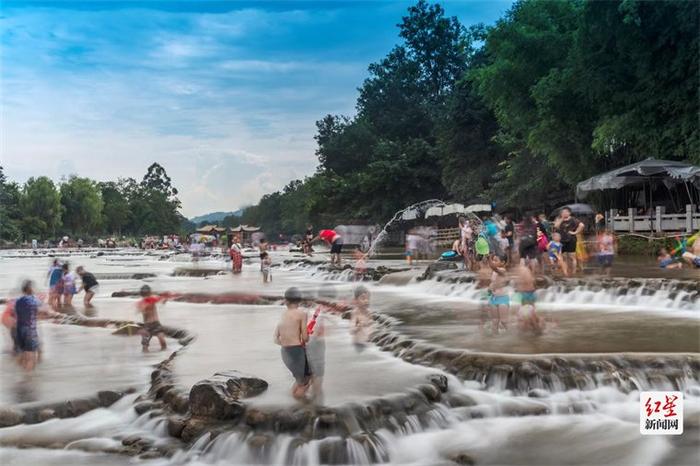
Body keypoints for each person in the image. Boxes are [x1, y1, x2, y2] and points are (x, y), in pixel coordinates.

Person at [273, 287, 310, 400]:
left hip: (285, 352)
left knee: (300, 380)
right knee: (307, 379)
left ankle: (291, 400)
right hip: (297, 351)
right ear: (299, 301)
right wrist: (307, 335)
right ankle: (300, 405)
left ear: (286, 301)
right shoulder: (301, 314)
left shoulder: (284, 314)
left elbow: (275, 338)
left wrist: (286, 343)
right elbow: (305, 338)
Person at [306, 284, 336, 402]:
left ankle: (312, 395)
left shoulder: (315, 309)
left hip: (309, 342)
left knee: (312, 370)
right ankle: (317, 397)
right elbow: (318, 329)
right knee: (318, 372)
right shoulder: (323, 311)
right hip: (316, 344)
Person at [14, 280, 42, 371]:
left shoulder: (18, 301)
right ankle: (28, 382)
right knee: (31, 358)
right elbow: (44, 311)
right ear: (30, 288)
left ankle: (18, 374)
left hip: (19, 330)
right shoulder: (34, 299)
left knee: (23, 355)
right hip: (30, 331)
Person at [137, 285, 168, 352]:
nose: (146, 295)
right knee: (145, 345)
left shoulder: (153, 299)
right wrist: (145, 306)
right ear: (142, 294)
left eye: (147, 293)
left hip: (156, 323)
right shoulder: (141, 303)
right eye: (144, 294)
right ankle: (146, 359)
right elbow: (140, 310)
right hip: (147, 326)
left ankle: (165, 356)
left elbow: (162, 300)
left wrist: (165, 298)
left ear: (149, 293)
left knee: (162, 340)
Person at [554, 208, 584, 276]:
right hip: (561, 240)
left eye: (565, 212)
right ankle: (566, 272)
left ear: (569, 213)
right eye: (562, 212)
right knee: (563, 257)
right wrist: (562, 219)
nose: (564, 213)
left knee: (572, 257)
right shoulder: (559, 219)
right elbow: (556, 226)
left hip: (571, 240)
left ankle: (574, 272)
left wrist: (575, 232)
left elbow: (582, 225)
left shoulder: (573, 219)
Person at [514, 264, 542, 335]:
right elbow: (533, 284)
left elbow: (519, 286)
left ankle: (534, 330)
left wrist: (518, 289)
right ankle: (535, 329)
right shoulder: (528, 271)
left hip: (526, 295)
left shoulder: (522, 270)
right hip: (530, 294)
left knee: (528, 314)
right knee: (531, 313)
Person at [488, 255, 509, 334]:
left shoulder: (503, 271)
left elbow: (494, 268)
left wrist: (488, 258)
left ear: (503, 262)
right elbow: (493, 282)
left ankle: (512, 335)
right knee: (494, 321)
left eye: (496, 260)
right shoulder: (494, 272)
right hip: (493, 298)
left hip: (502, 298)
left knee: (504, 321)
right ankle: (494, 339)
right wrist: (489, 290)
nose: (493, 262)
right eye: (493, 260)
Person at [351, 285, 372, 352]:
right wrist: (358, 327)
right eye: (363, 299)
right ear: (356, 301)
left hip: (366, 343)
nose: (366, 301)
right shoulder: (355, 313)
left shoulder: (368, 312)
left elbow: (370, 325)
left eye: (368, 298)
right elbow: (351, 330)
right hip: (358, 343)